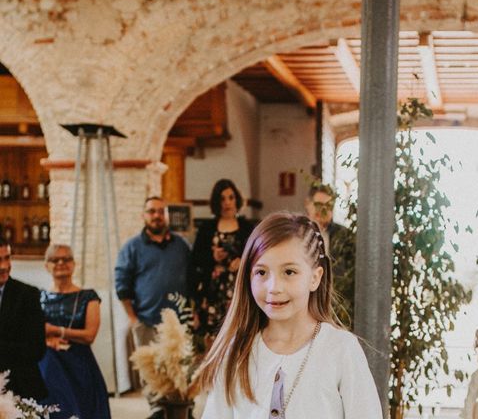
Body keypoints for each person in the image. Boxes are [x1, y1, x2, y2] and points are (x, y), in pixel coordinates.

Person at [198, 212, 382, 418]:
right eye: (261, 272)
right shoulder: (237, 351)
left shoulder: (341, 349)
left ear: (315, 277)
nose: (274, 287)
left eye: (289, 272)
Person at [115, 196, 191, 419]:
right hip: (146, 319)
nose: (157, 215)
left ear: (167, 215)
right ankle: (157, 409)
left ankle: (183, 407)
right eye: (151, 211)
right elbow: (122, 285)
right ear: (144, 216)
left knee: (181, 368)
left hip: (180, 322)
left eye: (161, 211)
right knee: (152, 370)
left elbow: (194, 278)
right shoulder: (132, 247)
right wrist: (133, 318)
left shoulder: (182, 245)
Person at [38, 244, 111, 419]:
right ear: (46, 265)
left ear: (74, 264)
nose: (61, 263)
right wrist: (47, 340)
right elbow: (32, 331)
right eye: (55, 260)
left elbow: (89, 335)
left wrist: (55, 331)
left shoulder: (88, 297)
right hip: (48, 364)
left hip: (79, 363)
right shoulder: (38, 297)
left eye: (66, 259)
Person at [190, 179, 255, 336]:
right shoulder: (207, 228)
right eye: (222, 199)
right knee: (214, 336)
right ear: (216, 202)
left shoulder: (247, 227)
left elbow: (259, 255)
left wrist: (243, 261)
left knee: (239, 334)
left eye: (231, 198)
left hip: (240, 289)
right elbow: (195, 259)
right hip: (213, 291)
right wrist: (212, 257)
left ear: (236, 200)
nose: (227, 203)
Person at [0, 238, 47, 401]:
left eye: (7, 258)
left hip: (20, 387)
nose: (4, 266)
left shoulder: (28, 295)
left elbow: (37, 348)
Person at [304, 182, 355, 325]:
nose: (323, 210)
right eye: (319, 205)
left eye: (328, 206)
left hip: (337, 310)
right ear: (308, 204)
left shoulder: (346, 237)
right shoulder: (296, 234)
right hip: (304, 305)